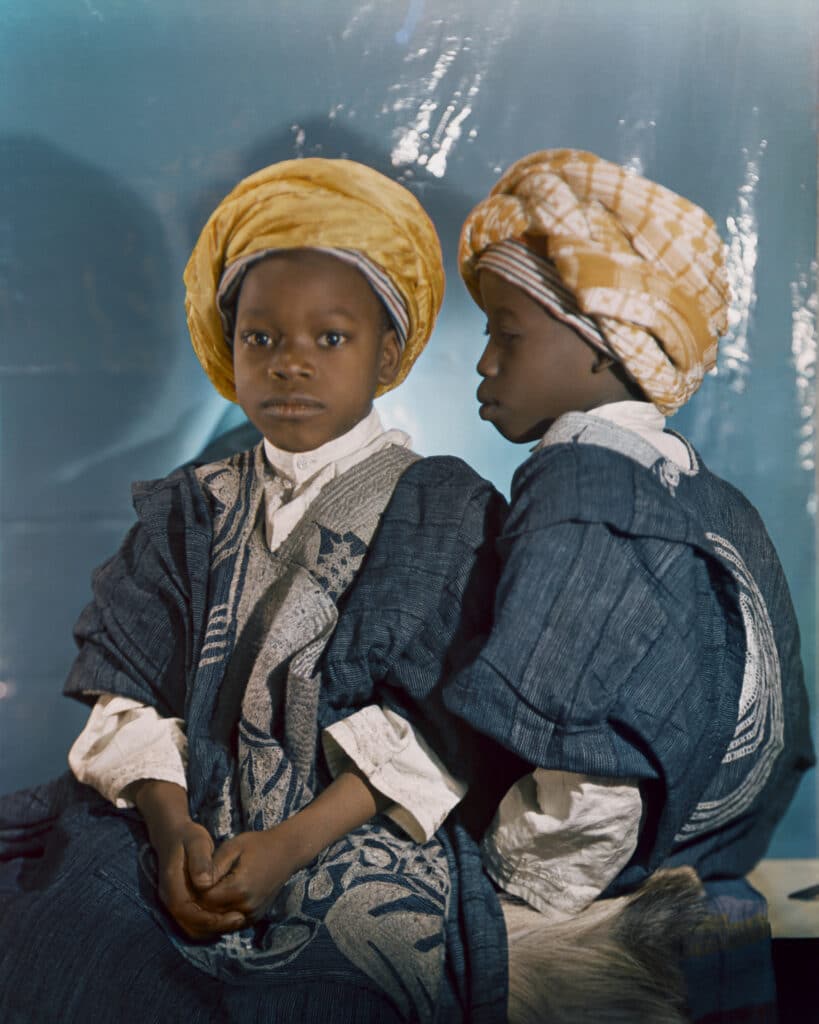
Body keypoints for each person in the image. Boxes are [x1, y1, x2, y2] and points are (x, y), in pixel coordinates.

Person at [0, 158, 508, 1023]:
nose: (289, 365)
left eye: (330, 338)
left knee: (348, 979)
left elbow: (439, 723)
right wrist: (171, 834)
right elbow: (126, 694)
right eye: (261, 339)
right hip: (186, 816)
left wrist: (288, 845)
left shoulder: (443, 508)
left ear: (388, 353)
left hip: (353, 827)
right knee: (64, 934)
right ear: (227, 348)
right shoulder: (192, 504)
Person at [442, 148, 815, 1022]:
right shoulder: (707, 494)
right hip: (715, 852)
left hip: (602, 875)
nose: (483, 364)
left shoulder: (580, 489)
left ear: (605, 346)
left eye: (507, 331)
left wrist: (516, 893)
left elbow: (590, 761)